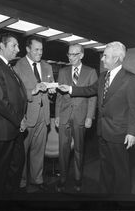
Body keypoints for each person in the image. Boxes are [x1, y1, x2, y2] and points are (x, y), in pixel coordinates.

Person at [59, 41, 135, 194]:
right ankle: (105, 198)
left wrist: (132, 132)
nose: (102, 59)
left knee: (121, 171)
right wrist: (70, 88)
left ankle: (123, 202)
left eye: (105, 56)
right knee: (105, 169)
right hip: (102, 131)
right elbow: (89, 89)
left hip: (119, 134)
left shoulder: (131, 79)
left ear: (116, 58)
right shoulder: (104, 76)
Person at [0, 32, 28, 196]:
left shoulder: (7, 67)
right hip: (3, 129)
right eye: (14, 46)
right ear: (2, 46)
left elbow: (18, 95)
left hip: (13, 128)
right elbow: (0, 101)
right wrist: (19, 120)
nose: (18, 49)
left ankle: (10, 196)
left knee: (16, 164)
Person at [14, 36, 55, 193]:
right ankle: (22, 181)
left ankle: (37, 180)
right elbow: (16, 93)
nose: (40, 52)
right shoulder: (18, 66)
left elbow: (51, 92)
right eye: (36, 49)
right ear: (28, 49)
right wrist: (33, 90)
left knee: (39, 150)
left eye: (42, 49)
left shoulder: (47, 66)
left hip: (43, 115)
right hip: (27, 116)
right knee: (22, 152)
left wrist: (52, 92)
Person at [55, 44, 98, 192]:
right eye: (69, 54)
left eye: (74, 54)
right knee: (62, 149)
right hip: (64, 115)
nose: (71, 57)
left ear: (81, 55)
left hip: (81, 116)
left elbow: (93, 97)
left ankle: (78, 179)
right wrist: (57, 115)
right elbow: (59, 96)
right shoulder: (62, 71)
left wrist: (90, 117)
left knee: (79, 150)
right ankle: (62, 178)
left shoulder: (91, 72)